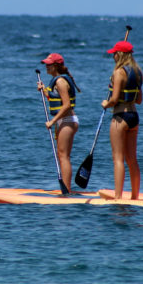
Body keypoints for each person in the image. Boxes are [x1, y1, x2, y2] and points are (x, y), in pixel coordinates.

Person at [102, 41, 143, 199]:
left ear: (120, 54)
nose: (113, 56)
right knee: (132, 159)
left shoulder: (119, 72)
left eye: (114, 53)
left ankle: (118, 197)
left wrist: (106, 103)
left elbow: (114, 99)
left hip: (120, 117)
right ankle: (135, 197)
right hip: (134, 117)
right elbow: (139, 99)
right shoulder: (137, 72)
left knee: (118, 158)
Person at [37, 53, 80, 193]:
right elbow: (54, 99)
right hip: (64, 120)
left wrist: (52, 121)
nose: (46, 67)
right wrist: (44, 90)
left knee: (64, 156)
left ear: (56, 66)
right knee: (61, 154)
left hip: (67, 120)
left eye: (48, 64)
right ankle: (66, 189)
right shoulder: (56, 81)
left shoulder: (61, 81)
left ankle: (66, 190)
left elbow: (66, 105)